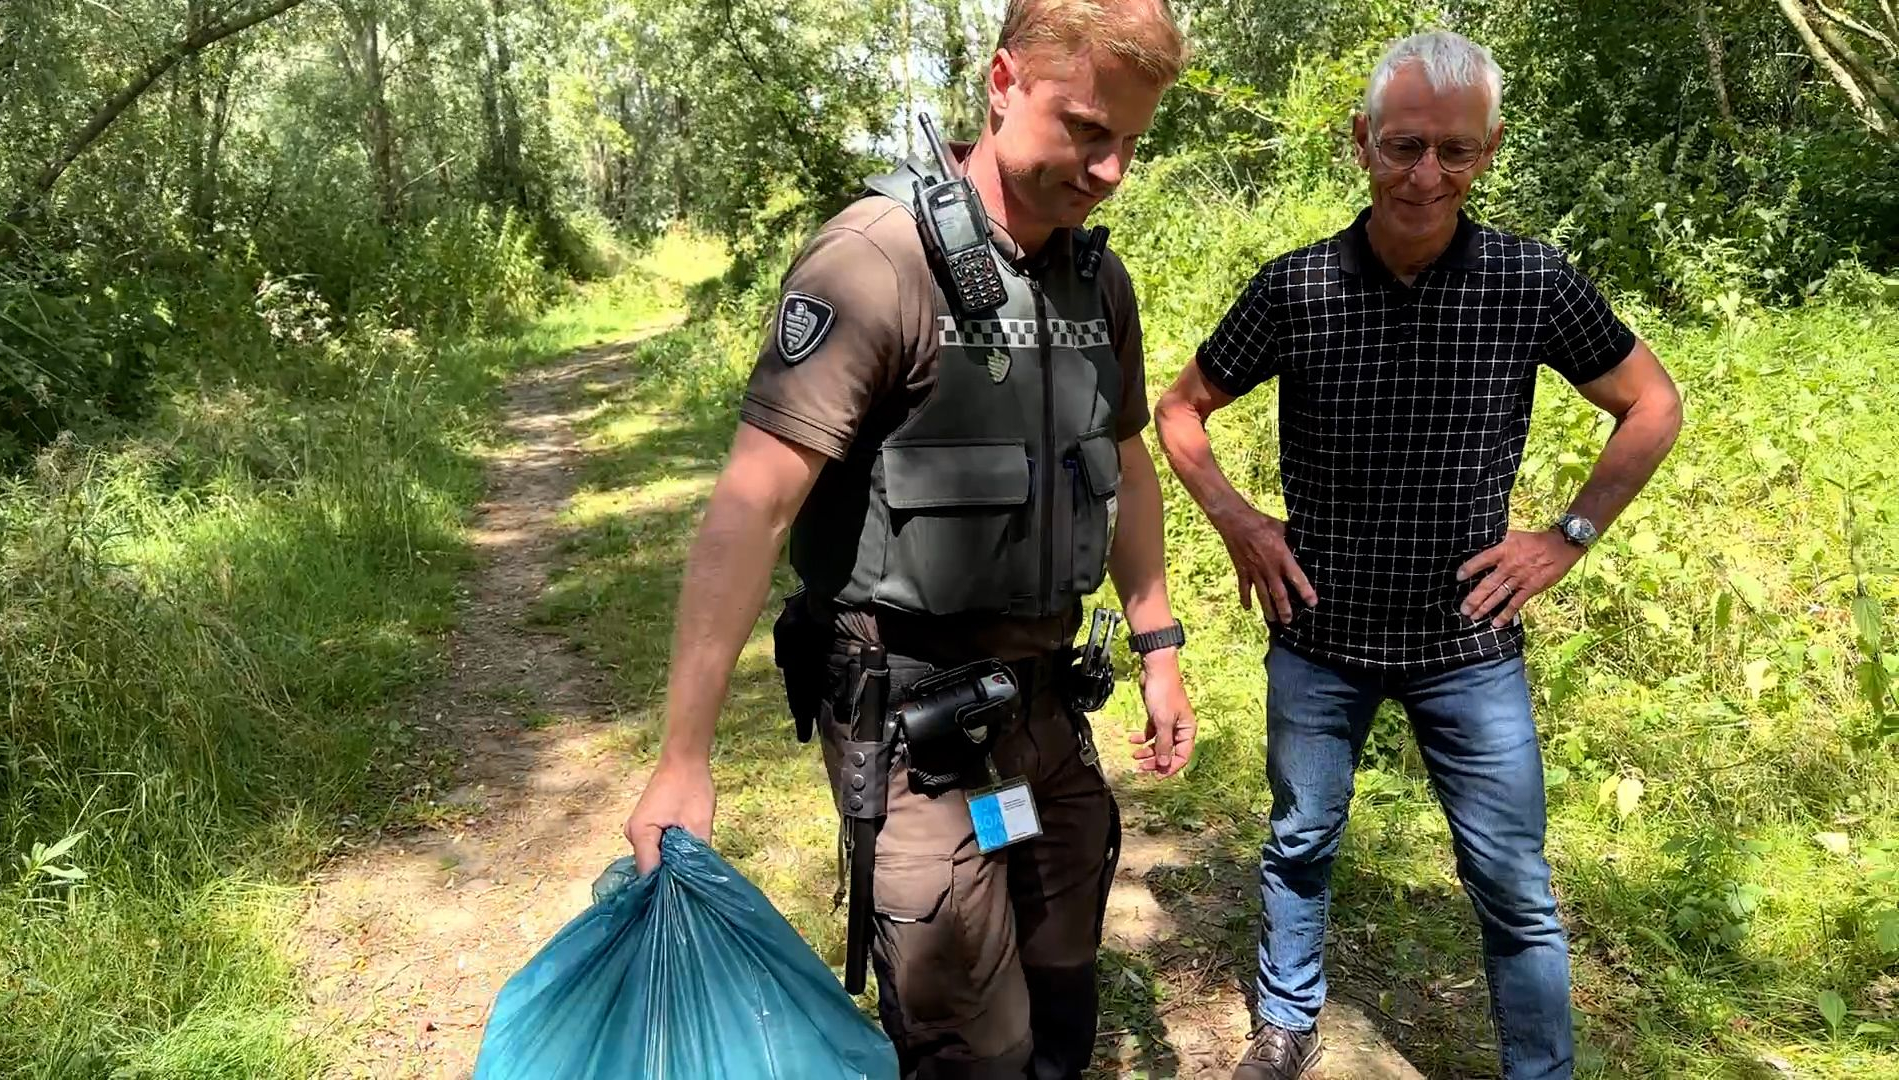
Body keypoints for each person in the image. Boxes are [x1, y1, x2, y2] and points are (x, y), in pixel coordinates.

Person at [622, 2, 1195, 1076]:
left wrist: (1158, 647)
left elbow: (1123, 464)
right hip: (916, 722)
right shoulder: (875, 263)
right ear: (1002, 80)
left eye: (1131, 142)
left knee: (1065, 994)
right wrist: (683, 759)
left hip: (1047, 710)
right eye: (1084, 128)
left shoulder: (1094, 282)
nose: (1110, 169)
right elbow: (751, 508)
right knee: (967, 1038)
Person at [1154, 30, 1684, 1080]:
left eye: (1453, 150)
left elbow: (1652, 403)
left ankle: (1542, 1070)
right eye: (1402, 146)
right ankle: (1284, 1025)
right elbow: (1179, 409)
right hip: (1321, 635)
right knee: (1301, 840)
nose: (1425, 174)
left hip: (1469, 645)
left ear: (1486, 152)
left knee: (1513, 883)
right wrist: (1238, 519)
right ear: (1361, 143)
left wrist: (1567, 535)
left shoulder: (1530, 280)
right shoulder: (1296, 289)